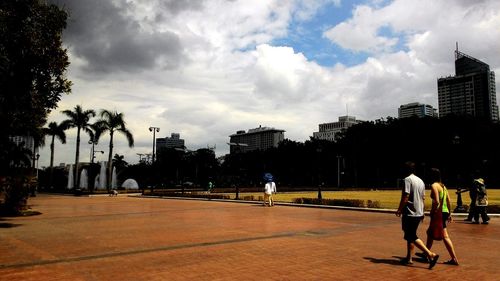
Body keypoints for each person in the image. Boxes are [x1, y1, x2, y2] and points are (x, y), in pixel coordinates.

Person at [396, 161, 439, 269]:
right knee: (410, 234)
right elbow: (423, 198)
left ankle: (430, 254)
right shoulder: (420, 181)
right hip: (418, 212)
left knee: (411, 236)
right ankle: (409, 258)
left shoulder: (407, 180)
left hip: (410, 212)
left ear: (406, 170)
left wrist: (399, 209)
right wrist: (423, 211)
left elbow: (406, 196)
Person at [417, 168, 459, 265]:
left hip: (438, 213)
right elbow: (448, 200)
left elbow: (436, 201)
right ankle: (426, 253)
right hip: (444, 212)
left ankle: (453, 258)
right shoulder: (443, 186)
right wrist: (449, 213)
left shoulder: (434, 186)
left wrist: (433, 211)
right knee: (430, 233)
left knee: (444, 236)